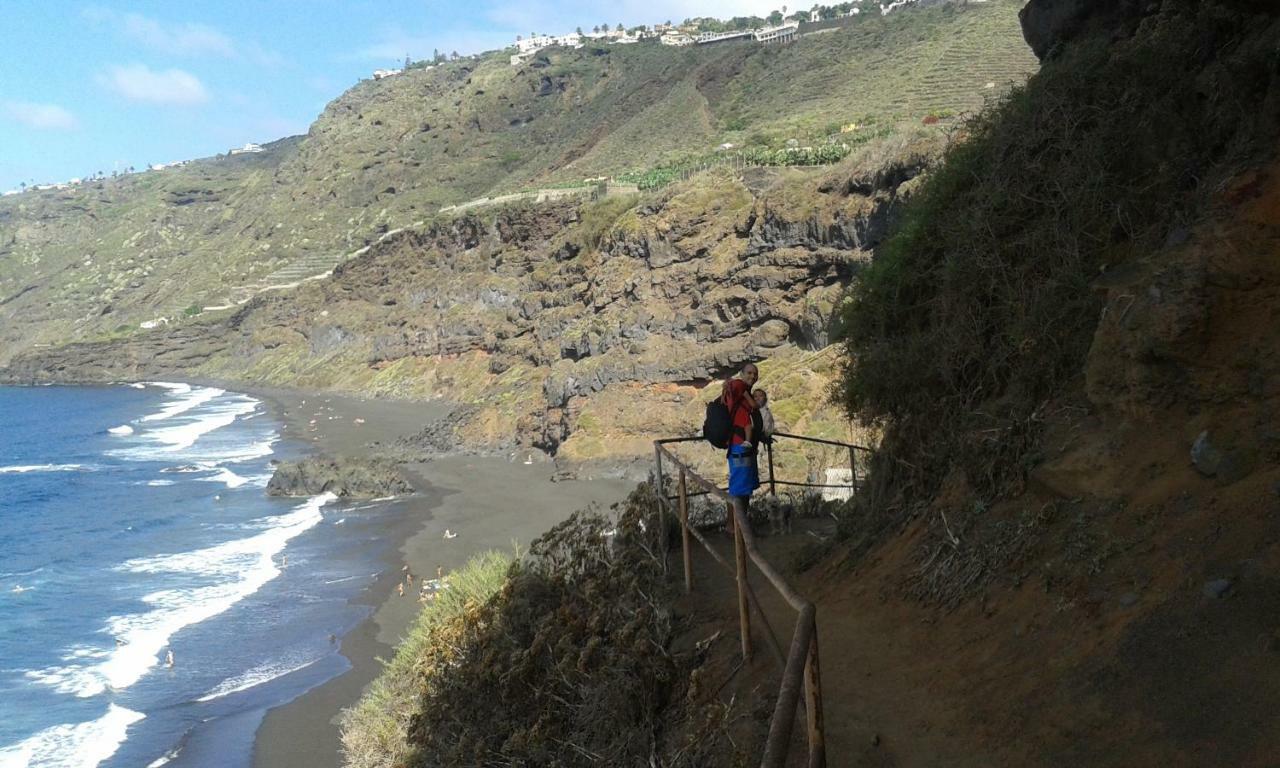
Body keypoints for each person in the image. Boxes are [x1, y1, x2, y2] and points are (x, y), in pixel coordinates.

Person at [723, 363, 761, 527]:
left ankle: (741, 528)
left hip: (745, 448)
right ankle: (734, 529)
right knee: (738, 489)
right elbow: (732, 386)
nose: (752, 376)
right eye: (749, 373)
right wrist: (729, 382)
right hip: (740, 447)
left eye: (755, 374)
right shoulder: (740, 385)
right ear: (742, 373)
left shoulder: (746, 392)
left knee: (744, 489)